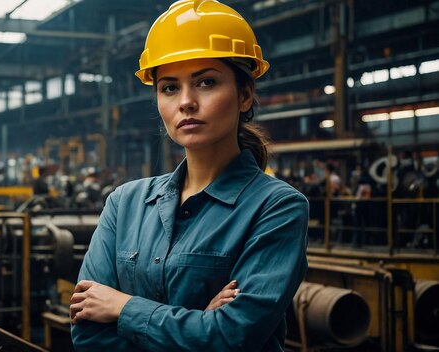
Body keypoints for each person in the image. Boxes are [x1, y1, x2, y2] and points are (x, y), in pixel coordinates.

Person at [70, 1, 309, 350]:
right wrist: (199, 322)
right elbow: (88, 334)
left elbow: (232, 336)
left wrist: (123, 308)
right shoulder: (125, 204)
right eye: (169, 87)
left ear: (244, 95)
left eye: (206, 82)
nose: (186, 102)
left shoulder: (277, 208)